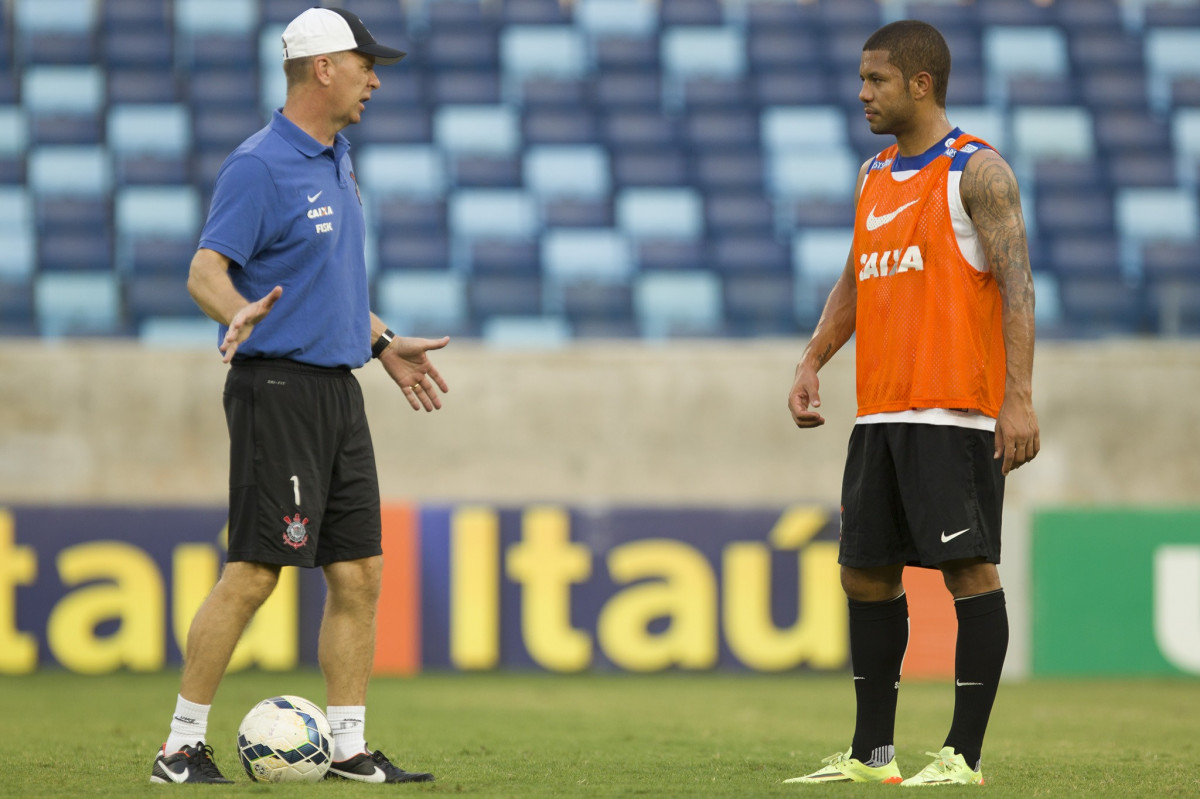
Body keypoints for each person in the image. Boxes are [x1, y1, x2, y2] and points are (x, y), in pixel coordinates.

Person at [150, 7, 447, 785]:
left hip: (339, 392)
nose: (375, 80)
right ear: (323, 68)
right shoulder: (259, 165)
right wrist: (232, 309)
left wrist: (383, 343)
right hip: (276, 387)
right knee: (254, 570)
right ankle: (179, 747)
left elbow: (330, 282)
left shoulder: (337, 157)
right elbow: (204, 270)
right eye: (366, 65)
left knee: (359, 574)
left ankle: (346, 747)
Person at [784, 20, 1039, 787]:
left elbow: (1020, 287)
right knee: (863, 574)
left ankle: (963, 756)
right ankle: (873, 755)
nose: (862, 94)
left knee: (969, 572)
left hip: (954, 413)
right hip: (880, 413)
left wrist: (1018, 397)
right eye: (862, 80)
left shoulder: (977, 170)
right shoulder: (872, 173)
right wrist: (812, 357)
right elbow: (859, 276)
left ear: (919, 84)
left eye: (875, 80)